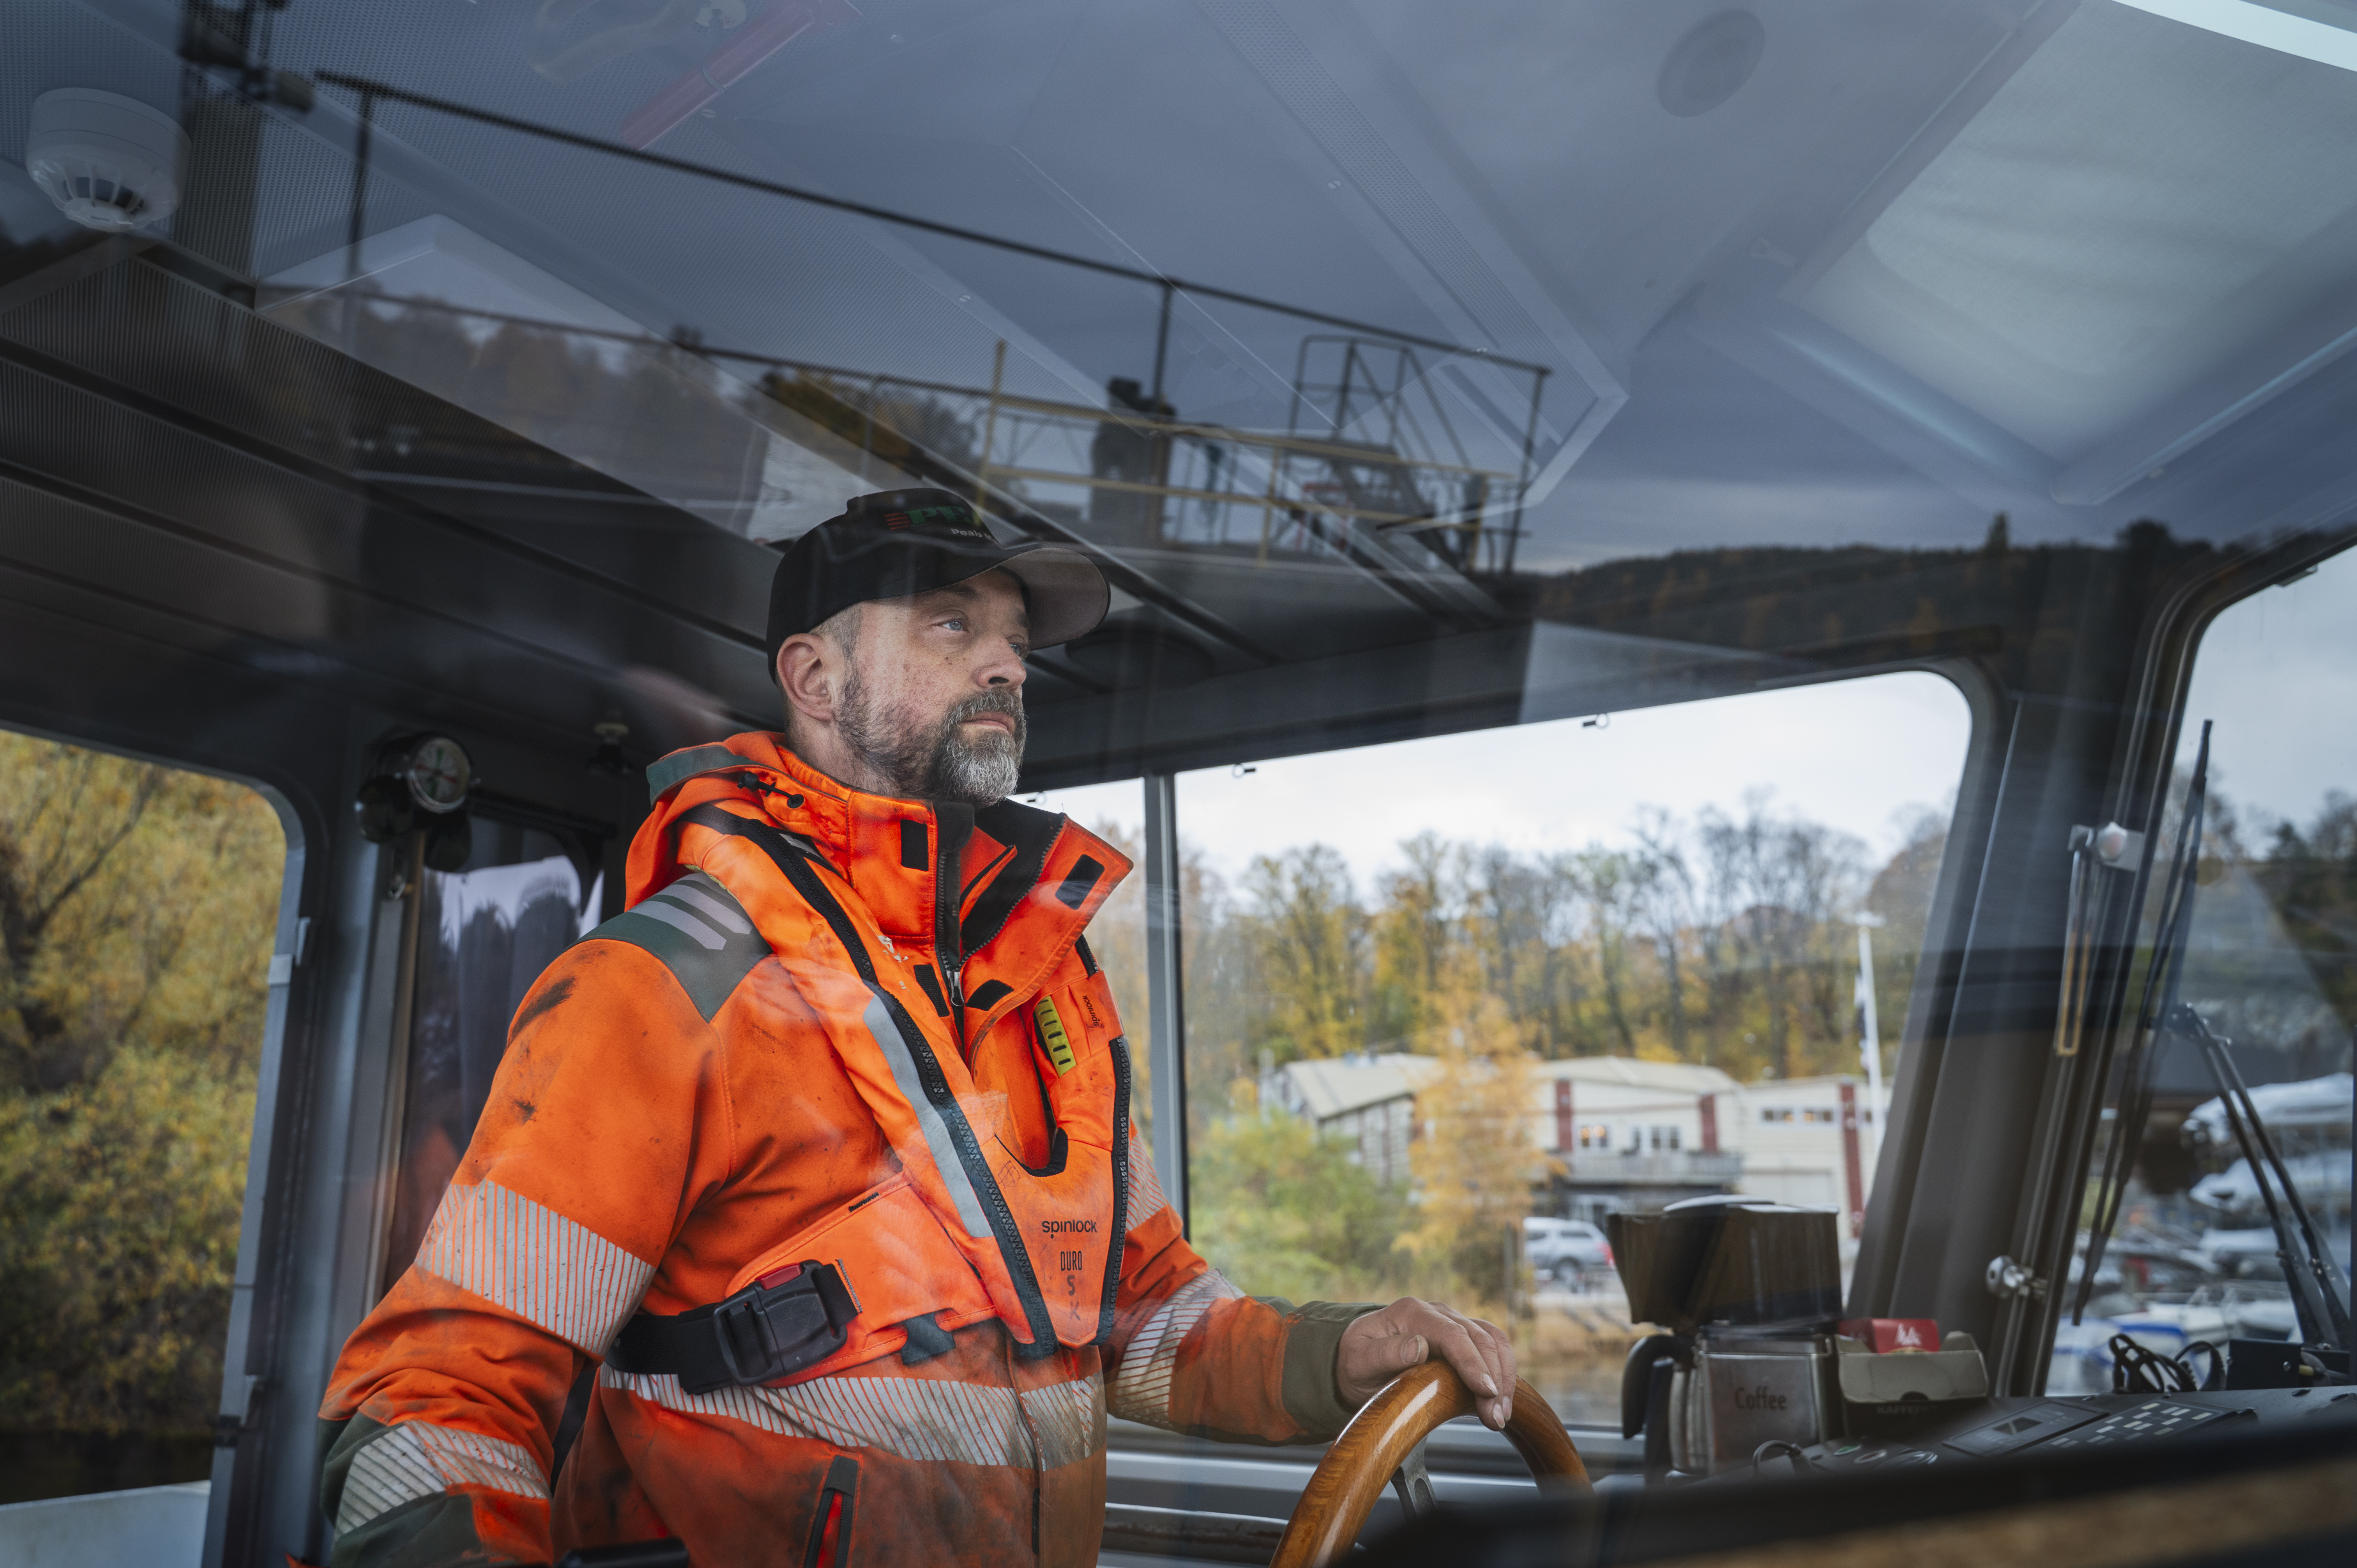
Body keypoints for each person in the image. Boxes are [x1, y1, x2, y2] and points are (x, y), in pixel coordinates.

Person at [317, 489, 1517, 1567]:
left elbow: (1140, 1318)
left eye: (1016, 639)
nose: (1007, 663)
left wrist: (1343, 1353)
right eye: (952, 625)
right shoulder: (659, 989)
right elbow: (439, 1395)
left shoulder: (1051, 990)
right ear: (815, 680)